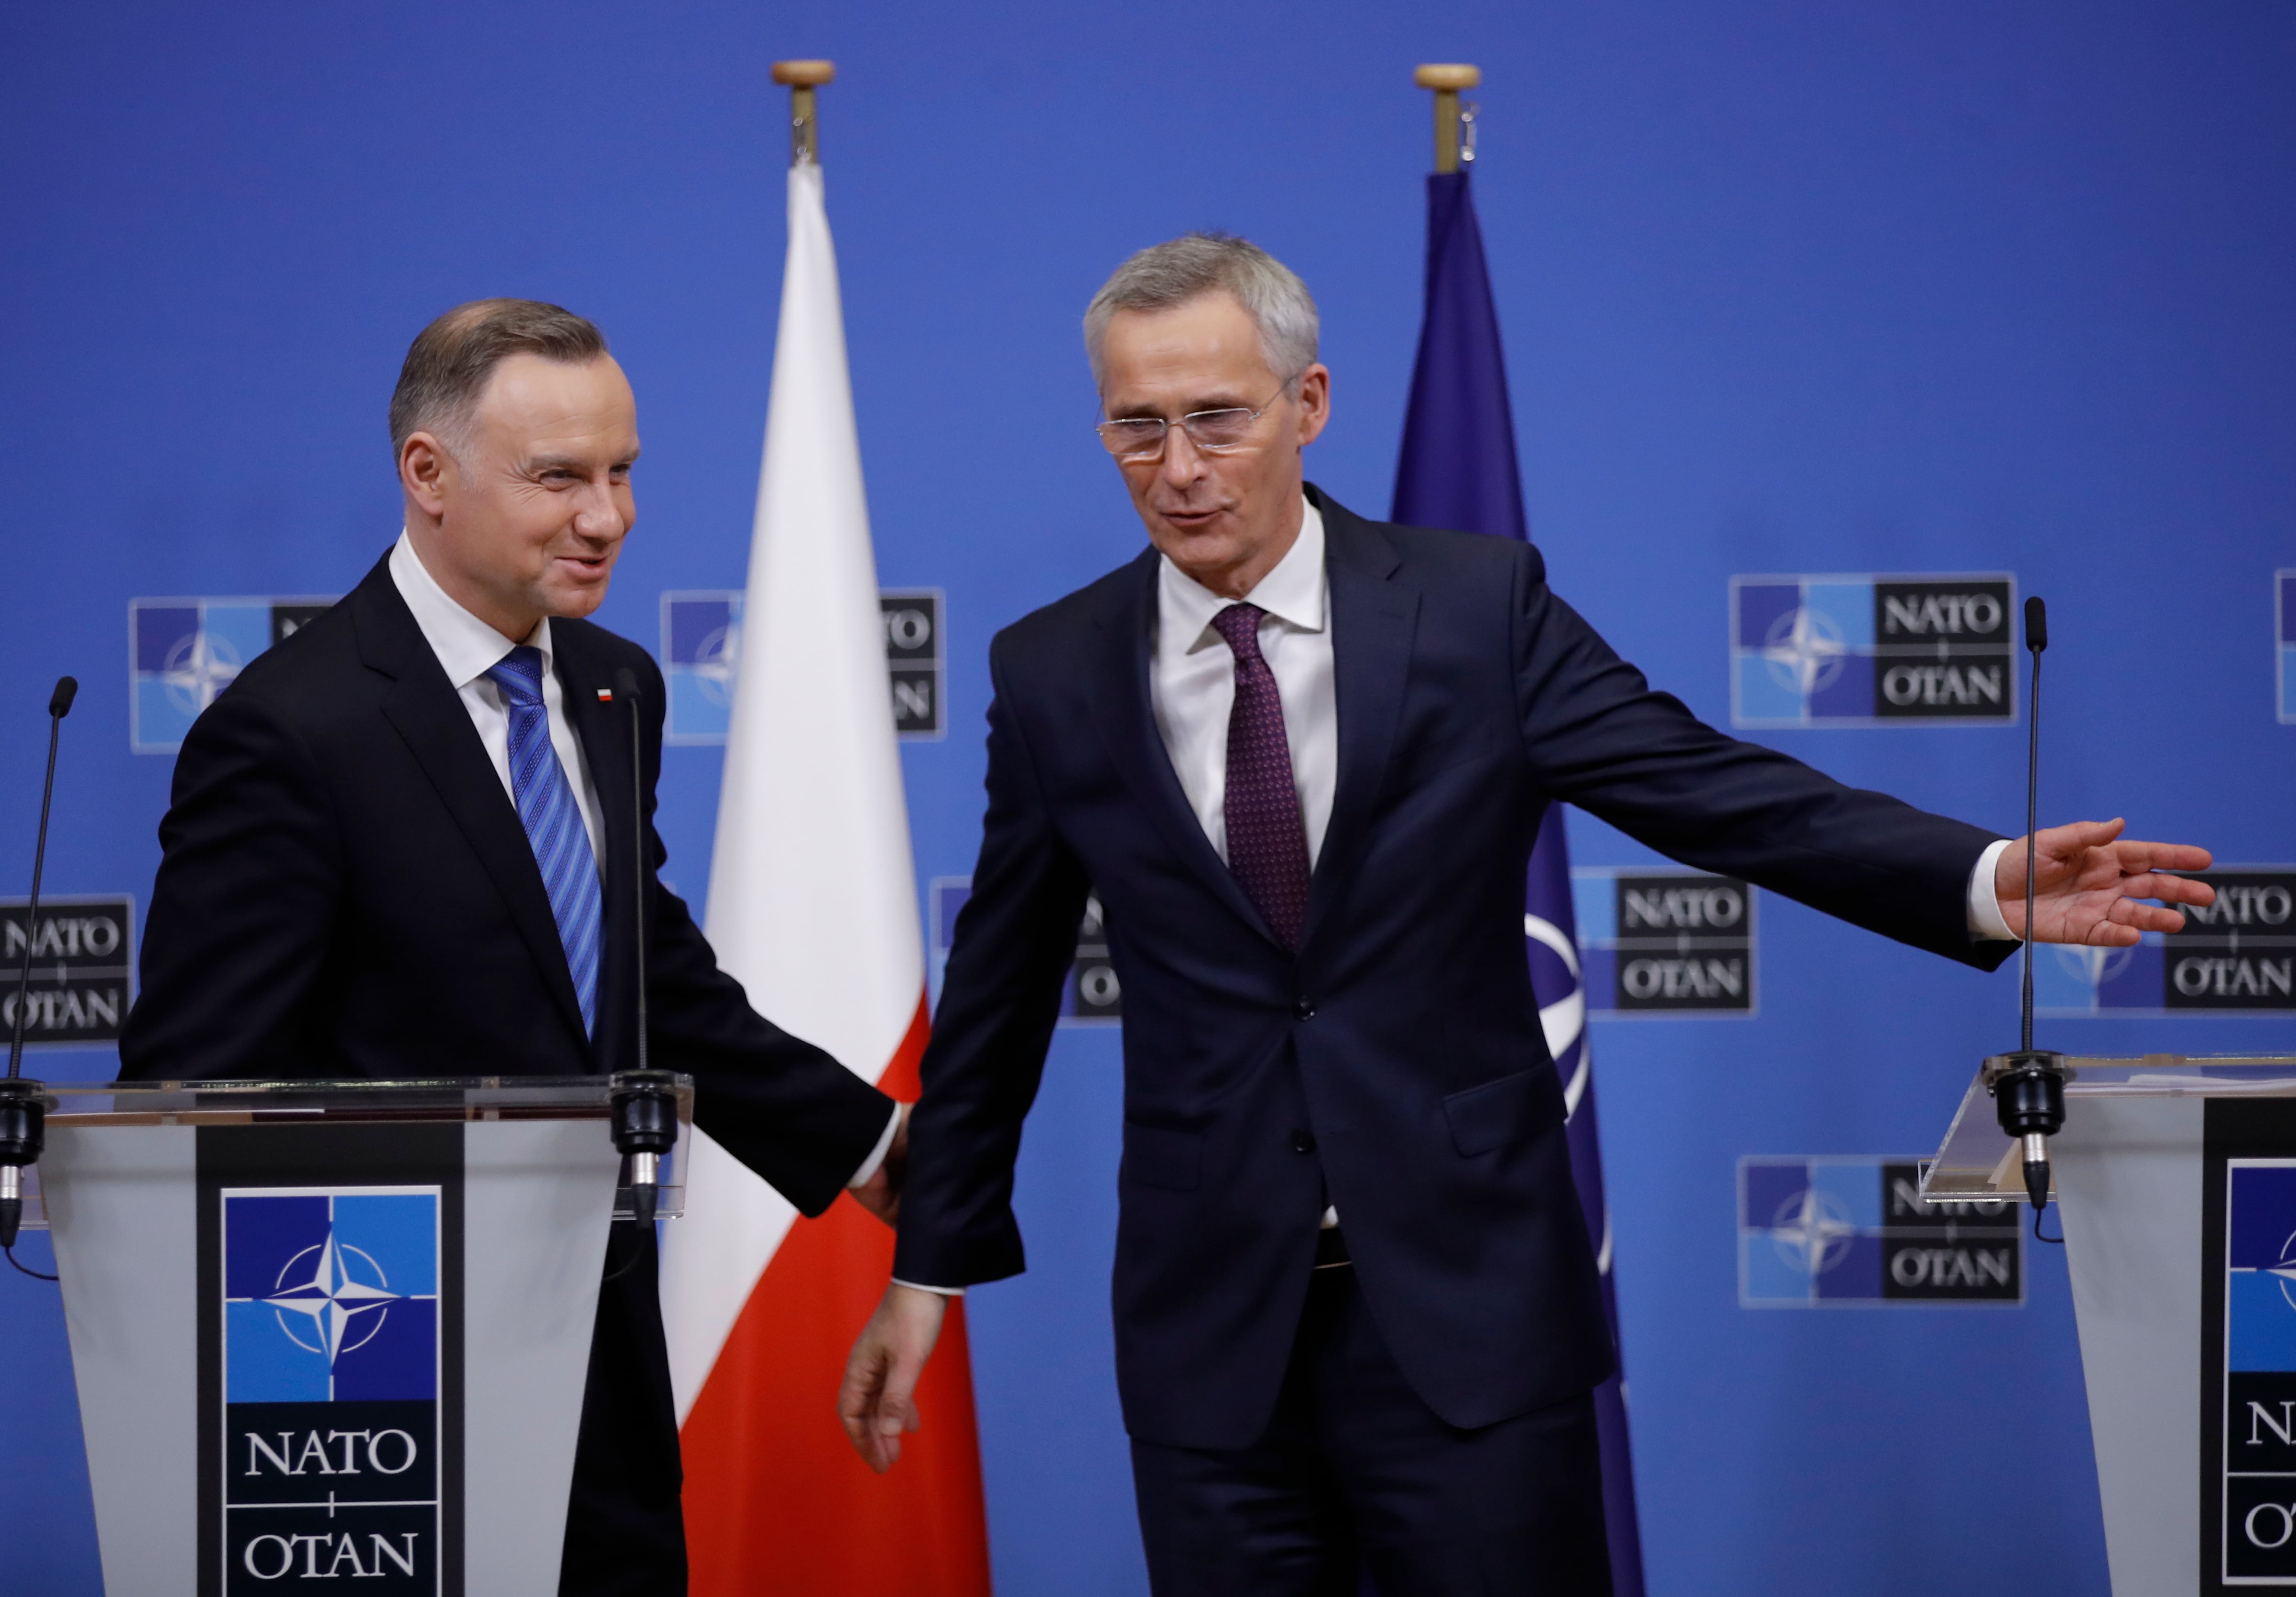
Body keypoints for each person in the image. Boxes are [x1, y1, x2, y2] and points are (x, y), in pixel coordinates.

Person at [837, 235, 2215, 1596]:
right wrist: (929, 1271)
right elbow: (1002, 988)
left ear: (1306, 406)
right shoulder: (1054, 667)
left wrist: (1975, 877)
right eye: (1138, 430)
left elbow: (1708, 790)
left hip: (1470, 1318)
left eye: (1215, 418)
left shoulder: (1473, 607)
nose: (1180, 469)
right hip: (1208, 1341)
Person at [119, 299, 907, 1597]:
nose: (609, 517)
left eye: (622, 472)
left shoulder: (614, 686)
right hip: (373, 1382)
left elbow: (640, 976)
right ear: (428, 476)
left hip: (598, 1356)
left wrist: (875, 1146)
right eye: (560, 478)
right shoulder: (291, 734)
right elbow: (196, 1098)